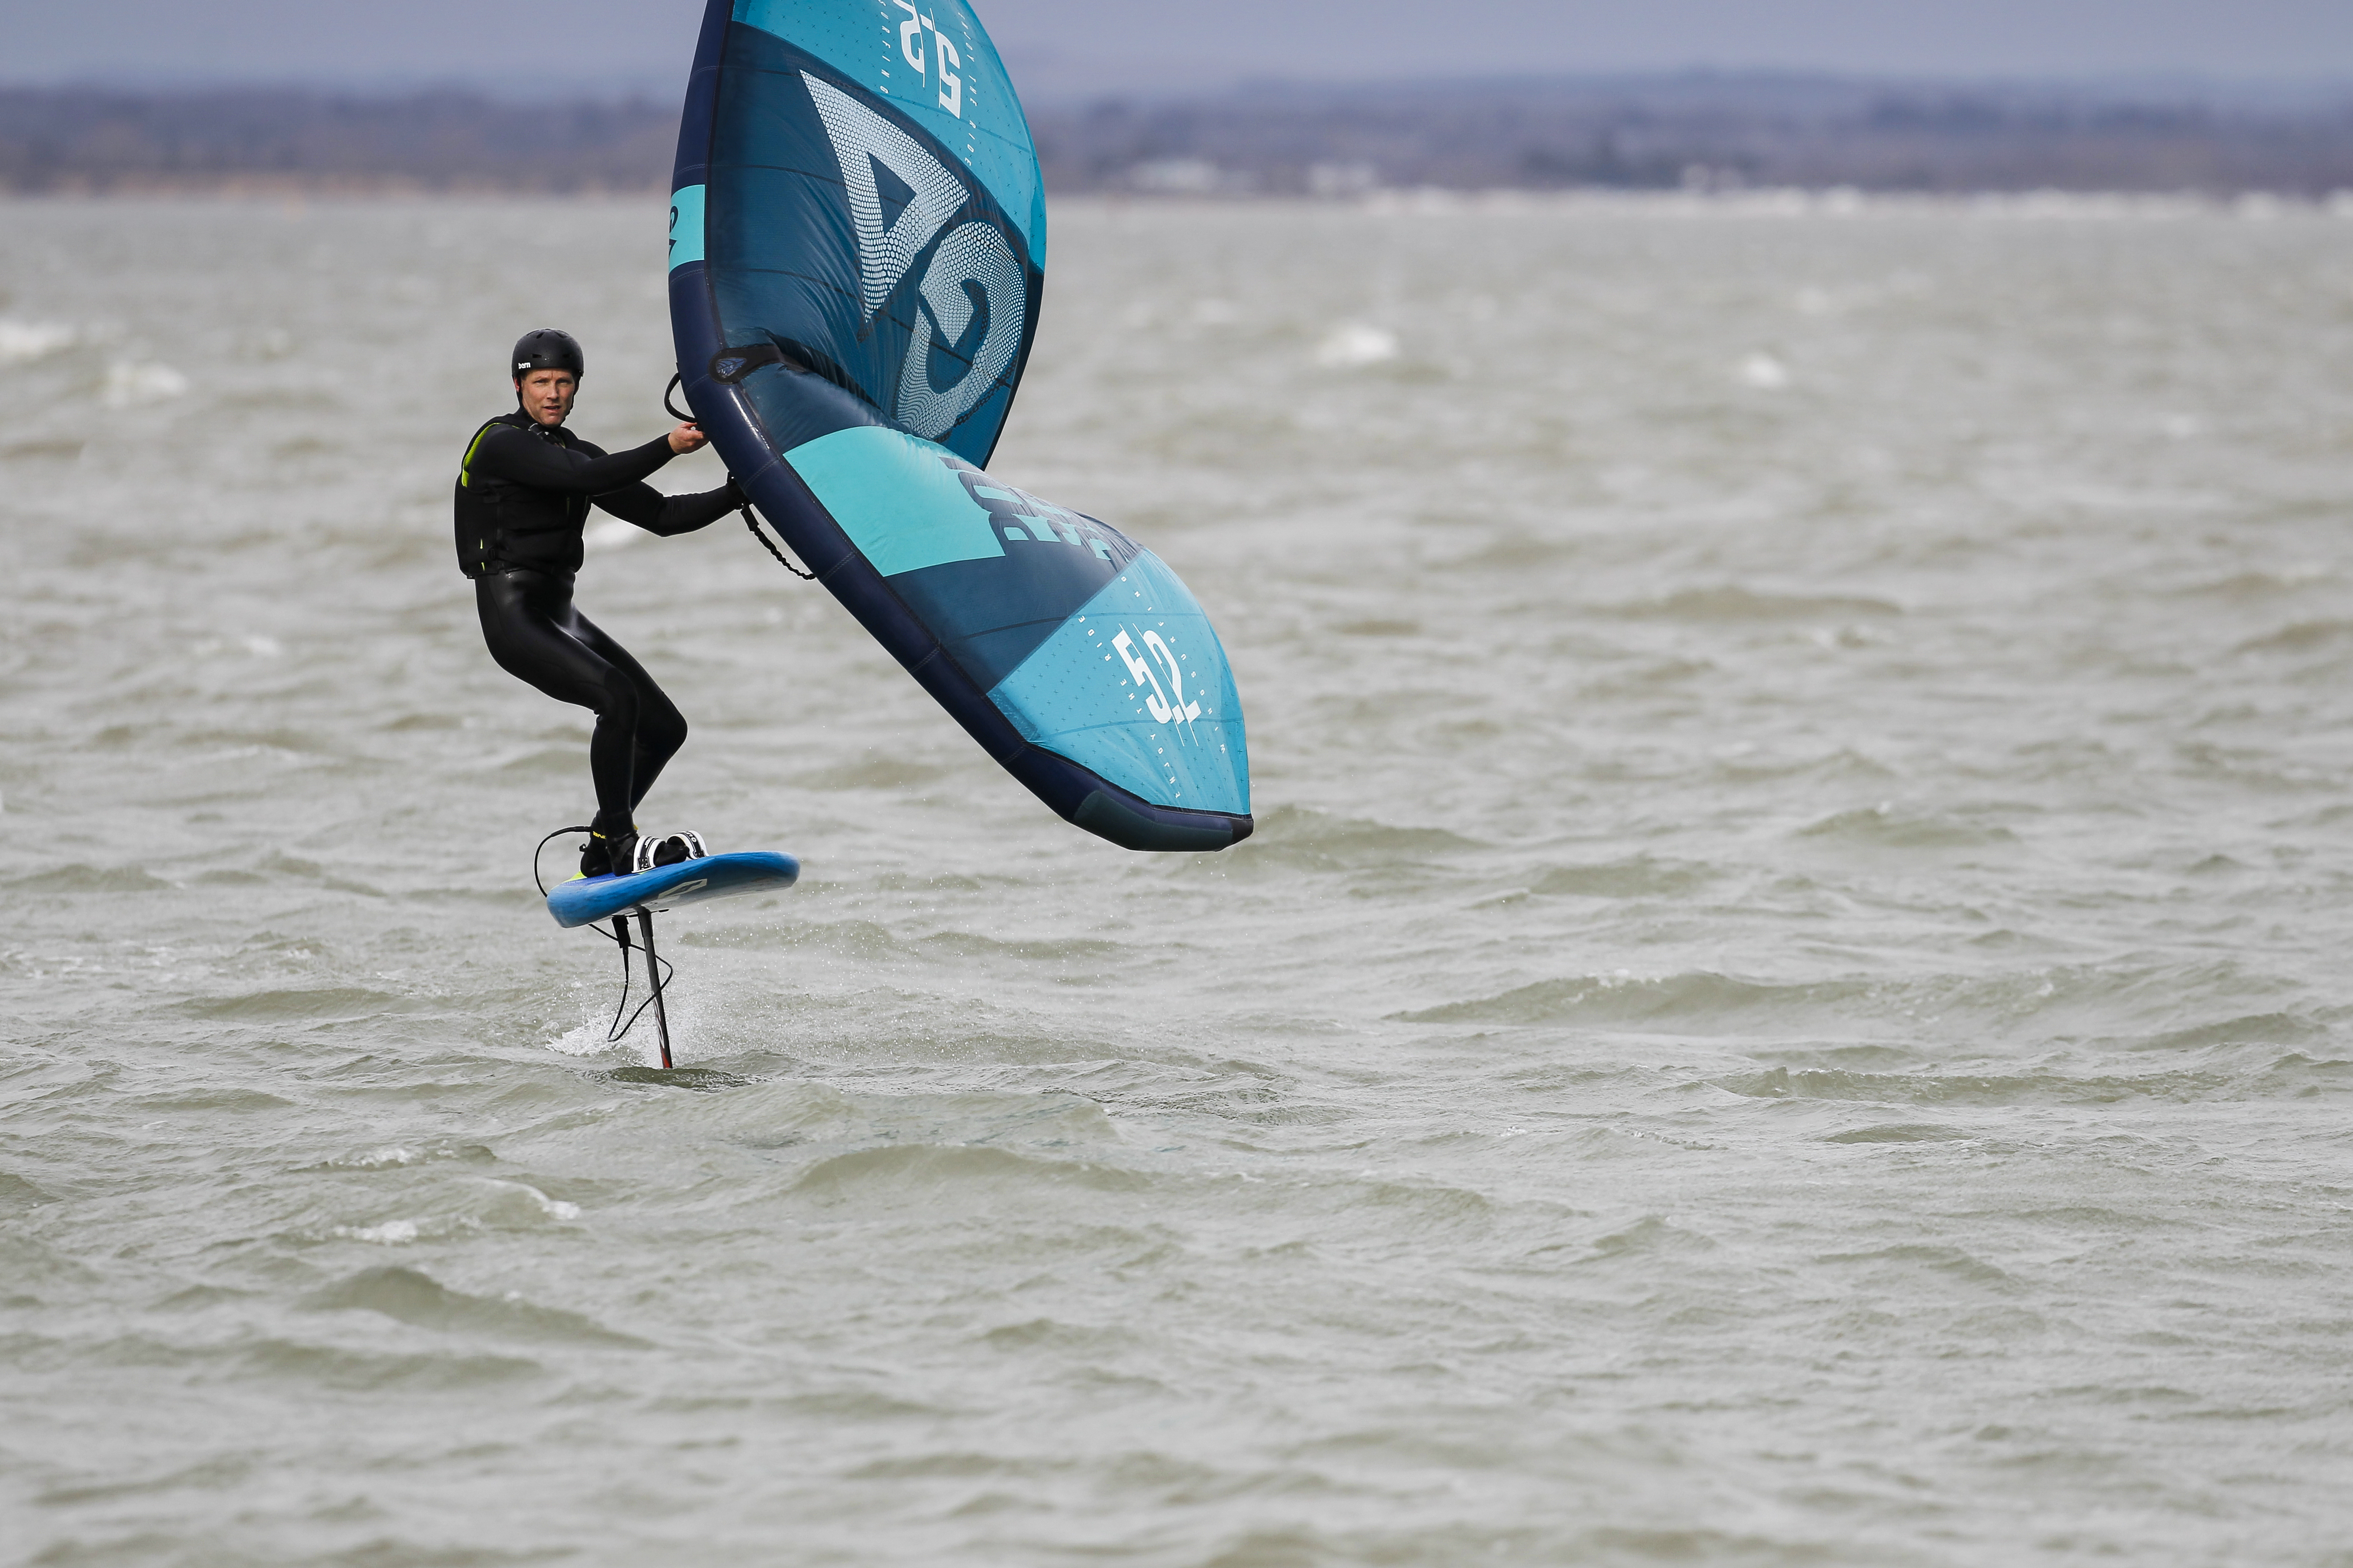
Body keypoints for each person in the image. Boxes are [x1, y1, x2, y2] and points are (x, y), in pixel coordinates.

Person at [456, 328, 742, 879]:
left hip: (560, 613)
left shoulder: (575, 452)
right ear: (518, 385)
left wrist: (738, 492)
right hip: (513, 614)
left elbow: (661, 516)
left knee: (664, 727)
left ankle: (601, 843)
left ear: (576, 388)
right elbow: (586, 478)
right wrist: (668, 446)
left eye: (564, 382)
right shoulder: (500, 444)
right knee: (615, 698)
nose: (553, 393)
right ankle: (621, 844)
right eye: (541, 382)